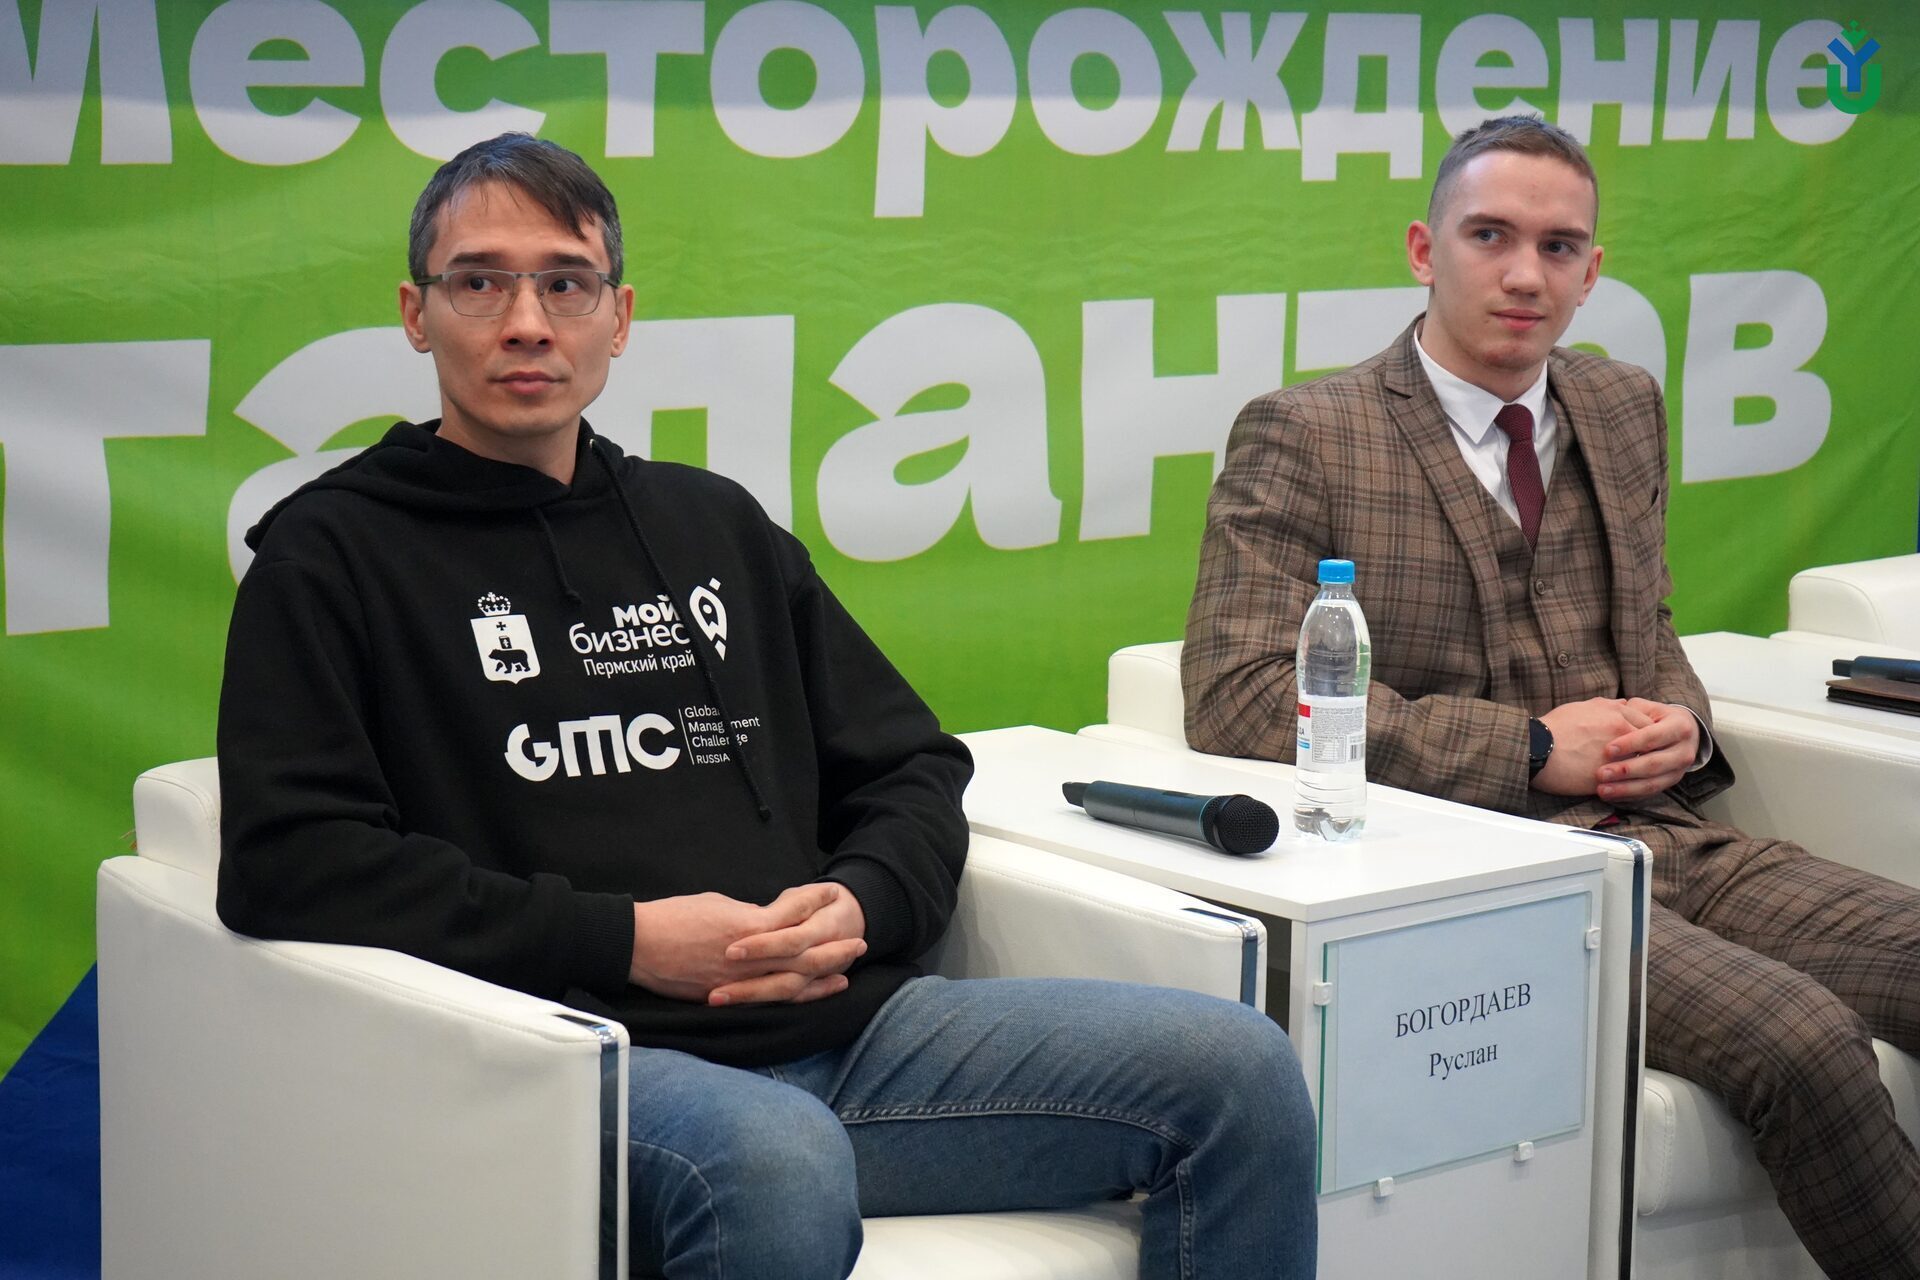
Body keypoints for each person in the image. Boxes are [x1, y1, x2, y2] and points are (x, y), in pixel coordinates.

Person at [216, 132, 1316, 1279]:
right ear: (417, 312)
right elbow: (291, 857)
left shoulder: (714, 525)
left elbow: (911, 765)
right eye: (481, 282)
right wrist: (630, 940)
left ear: (619, 317)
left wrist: (863, 901)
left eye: (567, 283)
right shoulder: (332, 554)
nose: (528, 321)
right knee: (777, 1158)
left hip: (851, 1035)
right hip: (571, 1055)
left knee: (1240, 1071)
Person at [1183, 114, 1920, 1278]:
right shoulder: (1311, 433)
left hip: (1670, 836)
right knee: (1801, 1038)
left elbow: (1651, 623)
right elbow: (1236, 697)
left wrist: (1682, 719)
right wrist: (1528, 747)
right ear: (1425, 249)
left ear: (1592, 270)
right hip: (1489, 877)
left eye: (1559, 246)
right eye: (1491, 235)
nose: (1525, 273)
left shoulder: (1620, 405)